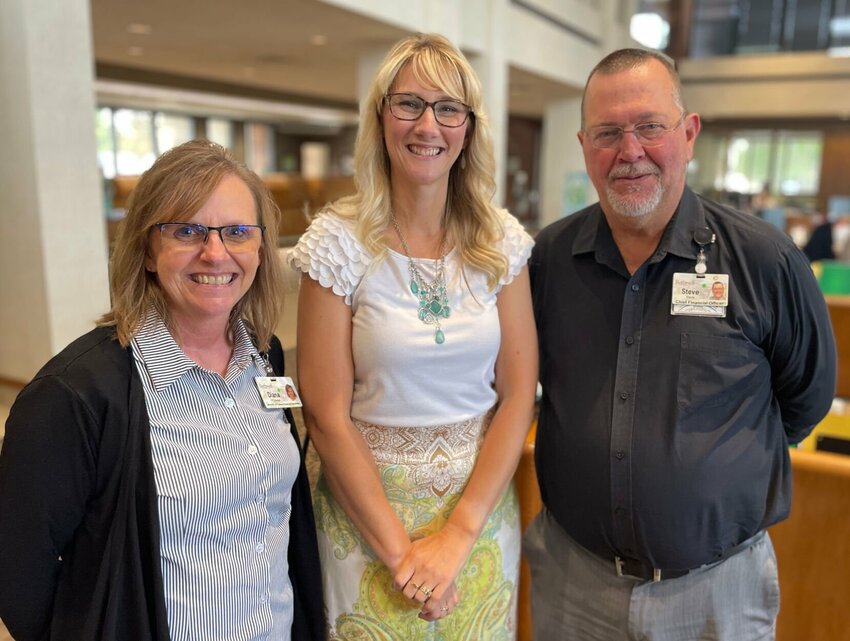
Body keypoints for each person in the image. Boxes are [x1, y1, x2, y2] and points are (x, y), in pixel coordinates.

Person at [526, 49, 836, 641]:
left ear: (688, 133)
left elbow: (806, 398)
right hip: (576, 583)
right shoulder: (548, 261)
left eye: (650, 126)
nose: (630, 150)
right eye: (608, 133)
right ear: (584, 145)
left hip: (716, 591)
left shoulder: (763, 261)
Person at [0, 141, 324, 641]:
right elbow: (21, 584)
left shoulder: (265, 356)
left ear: (260, 248)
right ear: (147, 250)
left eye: (237, 232)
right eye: (187, 230)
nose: (215, 252)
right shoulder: (73, 397)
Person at [289, 33, 537, 640]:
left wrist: (457, 535)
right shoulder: (336, 243)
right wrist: (405, 557)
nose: (428, 125)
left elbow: (517, 394)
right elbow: (325, 415)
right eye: (409, 104)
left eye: (448, 108)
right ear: (381, 118)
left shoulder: (500, 243)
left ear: (469, 129)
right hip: (367, 524)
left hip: (475, 521)